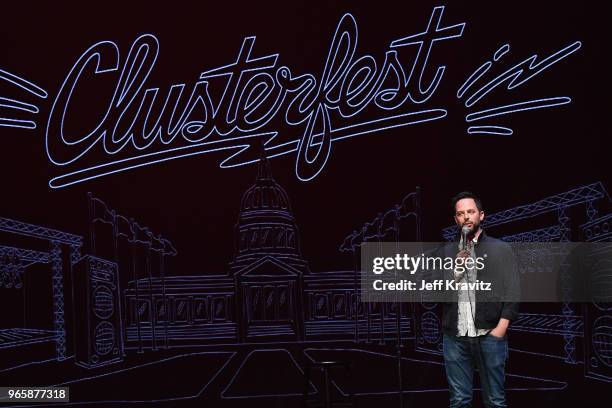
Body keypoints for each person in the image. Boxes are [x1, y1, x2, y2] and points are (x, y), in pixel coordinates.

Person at [442, 191, 520, 408]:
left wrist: (500, 330)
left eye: (471, 212)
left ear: (481, 215)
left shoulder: (501, 249)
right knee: (459, 401)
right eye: (461, 213)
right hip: (455, 338)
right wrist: (456, 270)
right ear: (456, 219)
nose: (466, 217)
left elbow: (513, 291)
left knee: (495, 401)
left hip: (490, 335)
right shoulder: (446, 251)